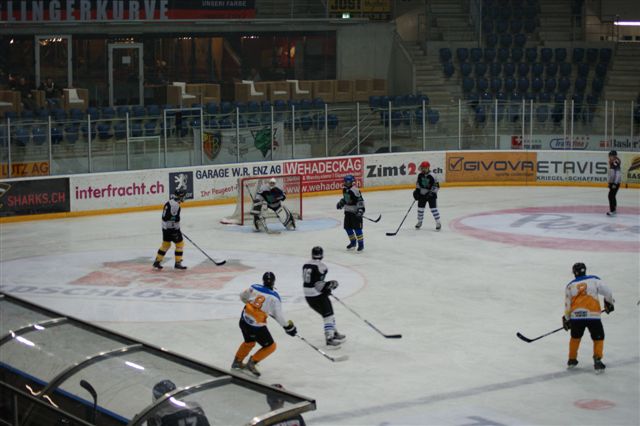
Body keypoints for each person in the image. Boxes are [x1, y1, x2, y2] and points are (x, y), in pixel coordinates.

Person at [231, 272, 297, 377]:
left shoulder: (254, 287)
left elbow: (242, 296)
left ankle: (237, 362)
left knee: (249, 342)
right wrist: (288, 327)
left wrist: (253, 307)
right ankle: (252, 362)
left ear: (263, 280)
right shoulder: (274, 297)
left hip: (243, 321)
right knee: (271, 346)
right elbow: (279, 316)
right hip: (256, 327)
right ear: (274, 282)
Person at [563, 262, 615, 373]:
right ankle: (597, 360)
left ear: (574, 273)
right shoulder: (594, 280)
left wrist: (567, 318)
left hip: (576, 317)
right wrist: (609, 303)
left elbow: (567, 304)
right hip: (593, 316)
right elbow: (608, 292)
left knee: (575, 337)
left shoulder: (570, 285)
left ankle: (572, 359)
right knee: (598, 337)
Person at [303, 246, 345, 346]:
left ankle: (333, 332)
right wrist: (330, 286)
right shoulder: (322, 267)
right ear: (322, 255)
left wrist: (326, 287)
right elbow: (318, 285)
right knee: (328, 315)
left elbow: (313, 281)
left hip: (308, 295)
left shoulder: (305, 264)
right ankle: (329, 338)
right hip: (316, 295)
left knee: (328, 314)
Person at [153, 189, 187, 270]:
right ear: (180, 196)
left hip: (165, 228)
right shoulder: (176, 205)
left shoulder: (170, 202)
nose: (184, 198)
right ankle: (178, 263)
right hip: (172, 229)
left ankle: (157, 261)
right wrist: (176, 228)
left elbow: (166, 217)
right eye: (183, 196)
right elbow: (171, 218)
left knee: (166, 244)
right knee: (180, 244)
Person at [336, 175, 365, 251]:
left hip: (355, 213)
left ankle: (361, 244)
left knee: (357, 229)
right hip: (347, 212)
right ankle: (353, 242)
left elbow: (360, 200)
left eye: (348, 182)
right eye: (345, 182)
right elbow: (346, 199)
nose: (346, 183)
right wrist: (341, 203)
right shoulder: (344, 189)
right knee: (347, 228)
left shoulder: (355, 190)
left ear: (352, 182)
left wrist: (360, 210)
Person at [413, 161, 441, 230]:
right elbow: (418, 184)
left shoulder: (433, 175)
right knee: (420, 209)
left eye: (424, 168)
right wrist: (417, 192)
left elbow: (436, 186)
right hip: (422, 195)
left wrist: (431, 193)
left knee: (433, 209)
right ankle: (419, 222)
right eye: (422, 168)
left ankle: (438, 222)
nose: (423, 169)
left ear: (428, 168)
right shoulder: (420, 175)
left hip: (431, 195)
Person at [606, 150, 621, 216]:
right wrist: (610, 183)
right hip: (613, 182)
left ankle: (613, 211)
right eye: (609, 156)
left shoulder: (615, 163)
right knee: (612, 195)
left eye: (610, 156)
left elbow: (618, 174)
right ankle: (614, 209)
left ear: (614, 156)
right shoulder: (613, 162)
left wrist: (615, 183)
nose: (609, 157)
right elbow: (611, 174)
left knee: (611, 196)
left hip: (615, 183)